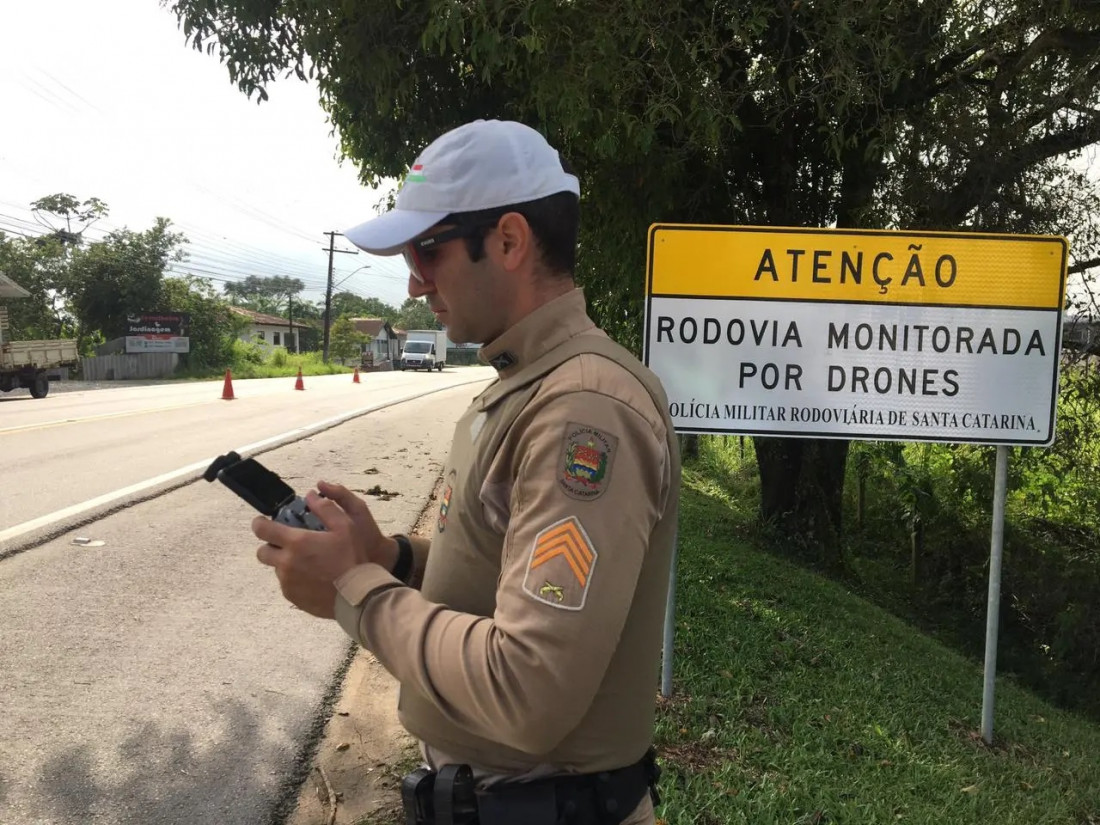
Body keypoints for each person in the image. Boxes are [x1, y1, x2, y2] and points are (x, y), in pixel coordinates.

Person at [252, 119, 681, 825]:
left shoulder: (584, 411)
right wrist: (387, 557)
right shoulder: (524, 384)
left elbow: (529, 687)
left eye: (429, 248)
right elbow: (503, 571)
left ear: (509, 241)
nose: (415, 280)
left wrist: (350, 588)